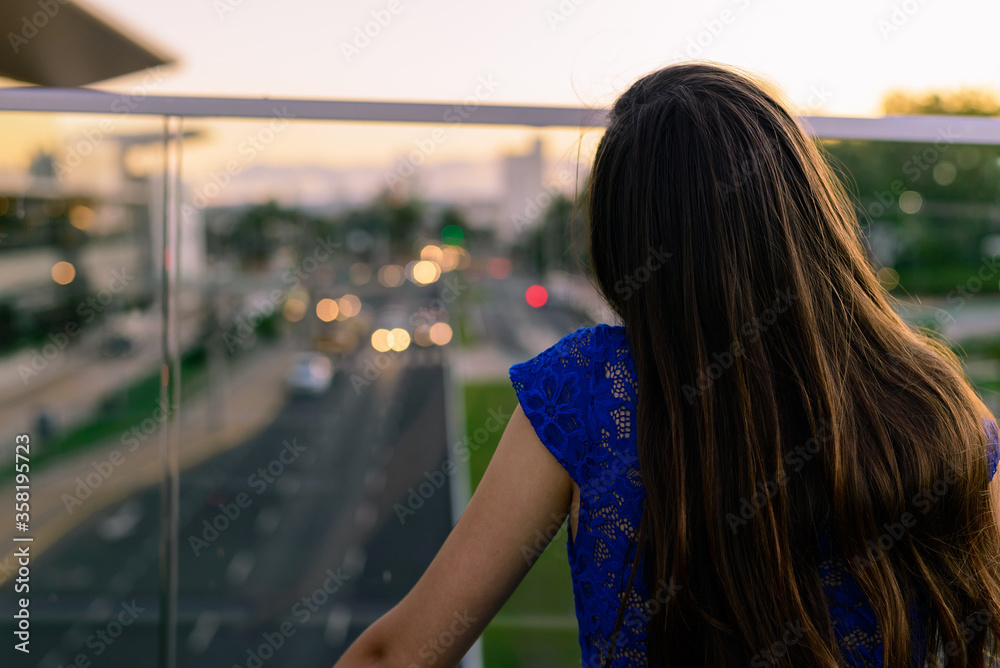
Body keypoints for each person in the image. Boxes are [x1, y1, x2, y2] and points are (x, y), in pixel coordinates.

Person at [333, 62, 1000, 668]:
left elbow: (399, 656)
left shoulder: (590, 391)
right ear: (808, 211)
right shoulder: (940, 403)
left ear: (624, 244)